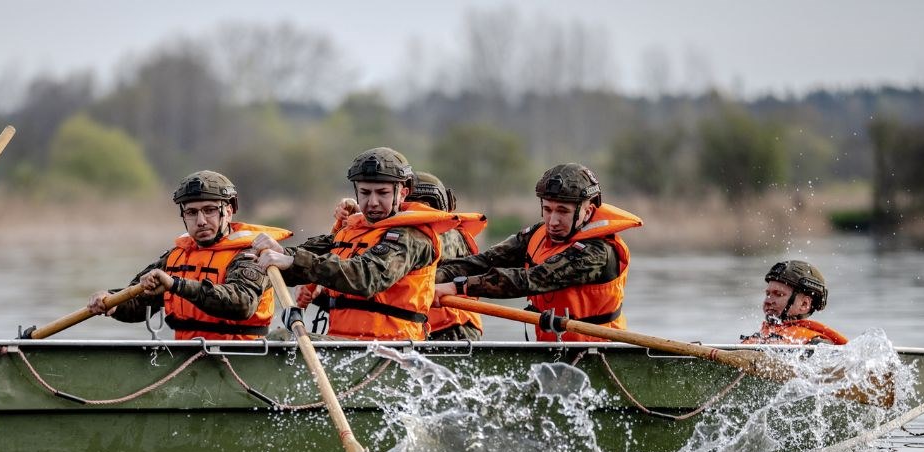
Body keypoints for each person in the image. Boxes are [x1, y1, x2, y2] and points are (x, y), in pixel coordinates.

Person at [252, 147, 477, 342]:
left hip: (393, 349)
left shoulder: (412, 237)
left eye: (382, 193)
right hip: (344, 345)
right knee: (283, 337)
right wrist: (279, 253)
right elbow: (305, 256)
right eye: (365, 193)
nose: (373, 202)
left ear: (403, 193)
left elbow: (366, 277)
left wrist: (292, 260)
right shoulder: (352, 230)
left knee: (281, 339)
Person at [433, 163, 642, 343]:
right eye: (548, 209)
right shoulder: (537, 234)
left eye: (563, 211)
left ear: (587, 211)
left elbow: (531, 279)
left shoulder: (597, 252)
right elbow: (484, 261)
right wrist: (431, 280)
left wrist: (457, 286)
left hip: (601, 352)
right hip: (553, 348)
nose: (552, 221)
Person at [85, 171, 292, 340]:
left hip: (242, 357)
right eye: (191, 213)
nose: (200, 220)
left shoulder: (252, 254)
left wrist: (175, 285)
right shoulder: (175, 257)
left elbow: (240, 304)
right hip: (187, 356)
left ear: (228, 212)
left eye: (209, 210)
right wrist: (111, 302)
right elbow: (137, 304)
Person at [410, 172, 485, 342]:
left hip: (453, 326)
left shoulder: (448, 236)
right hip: (420, 327)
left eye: (426, 205)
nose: (420, 210)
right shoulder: (399, 236)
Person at [742, 260, 848, 345]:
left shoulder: (817, 345)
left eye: (778, 294)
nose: (768, 301)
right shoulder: (761, 335)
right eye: (768, 294)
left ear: (804, 304)